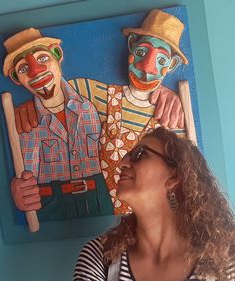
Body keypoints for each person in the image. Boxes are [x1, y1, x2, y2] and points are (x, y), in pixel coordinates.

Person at [14, 9, 192, 214]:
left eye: (161, 61)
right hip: (99, 213)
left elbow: (186, 177)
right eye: (142, 53)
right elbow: (54, 93)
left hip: (148, 220)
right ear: (131, 44)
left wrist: (170, 94)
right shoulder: (94, 94)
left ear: (173, 65)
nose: (147, 68)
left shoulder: (172, 118)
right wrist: (29, 105)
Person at [73, 127, 235, 281]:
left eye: (139, 154)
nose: (122, 163)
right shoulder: (100, 257)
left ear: (174, 177)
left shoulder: (227, 262)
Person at [4, 28, 113, 221]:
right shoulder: (29, 124)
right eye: (23, 68)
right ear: (16, 78)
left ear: (57, 54)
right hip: (54, 203)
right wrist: (22, 189)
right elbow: (27, 175)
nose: (35, 71)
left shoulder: (89, 105)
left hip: (98, 197)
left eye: (43, 58)